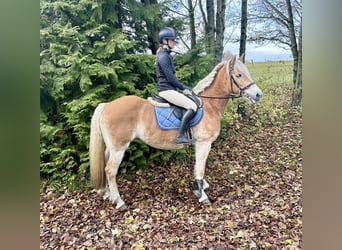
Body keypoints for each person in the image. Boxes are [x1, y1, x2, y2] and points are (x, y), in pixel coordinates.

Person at [156, 27, 198, 145]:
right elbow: (170, 78)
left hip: (169, 89)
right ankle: (180, 136)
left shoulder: (166, 55)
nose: (174, 42)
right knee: (192, 106)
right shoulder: (163, 56)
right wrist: (184, 87)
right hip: (166, 90)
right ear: (165, 41)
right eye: (172, 40)